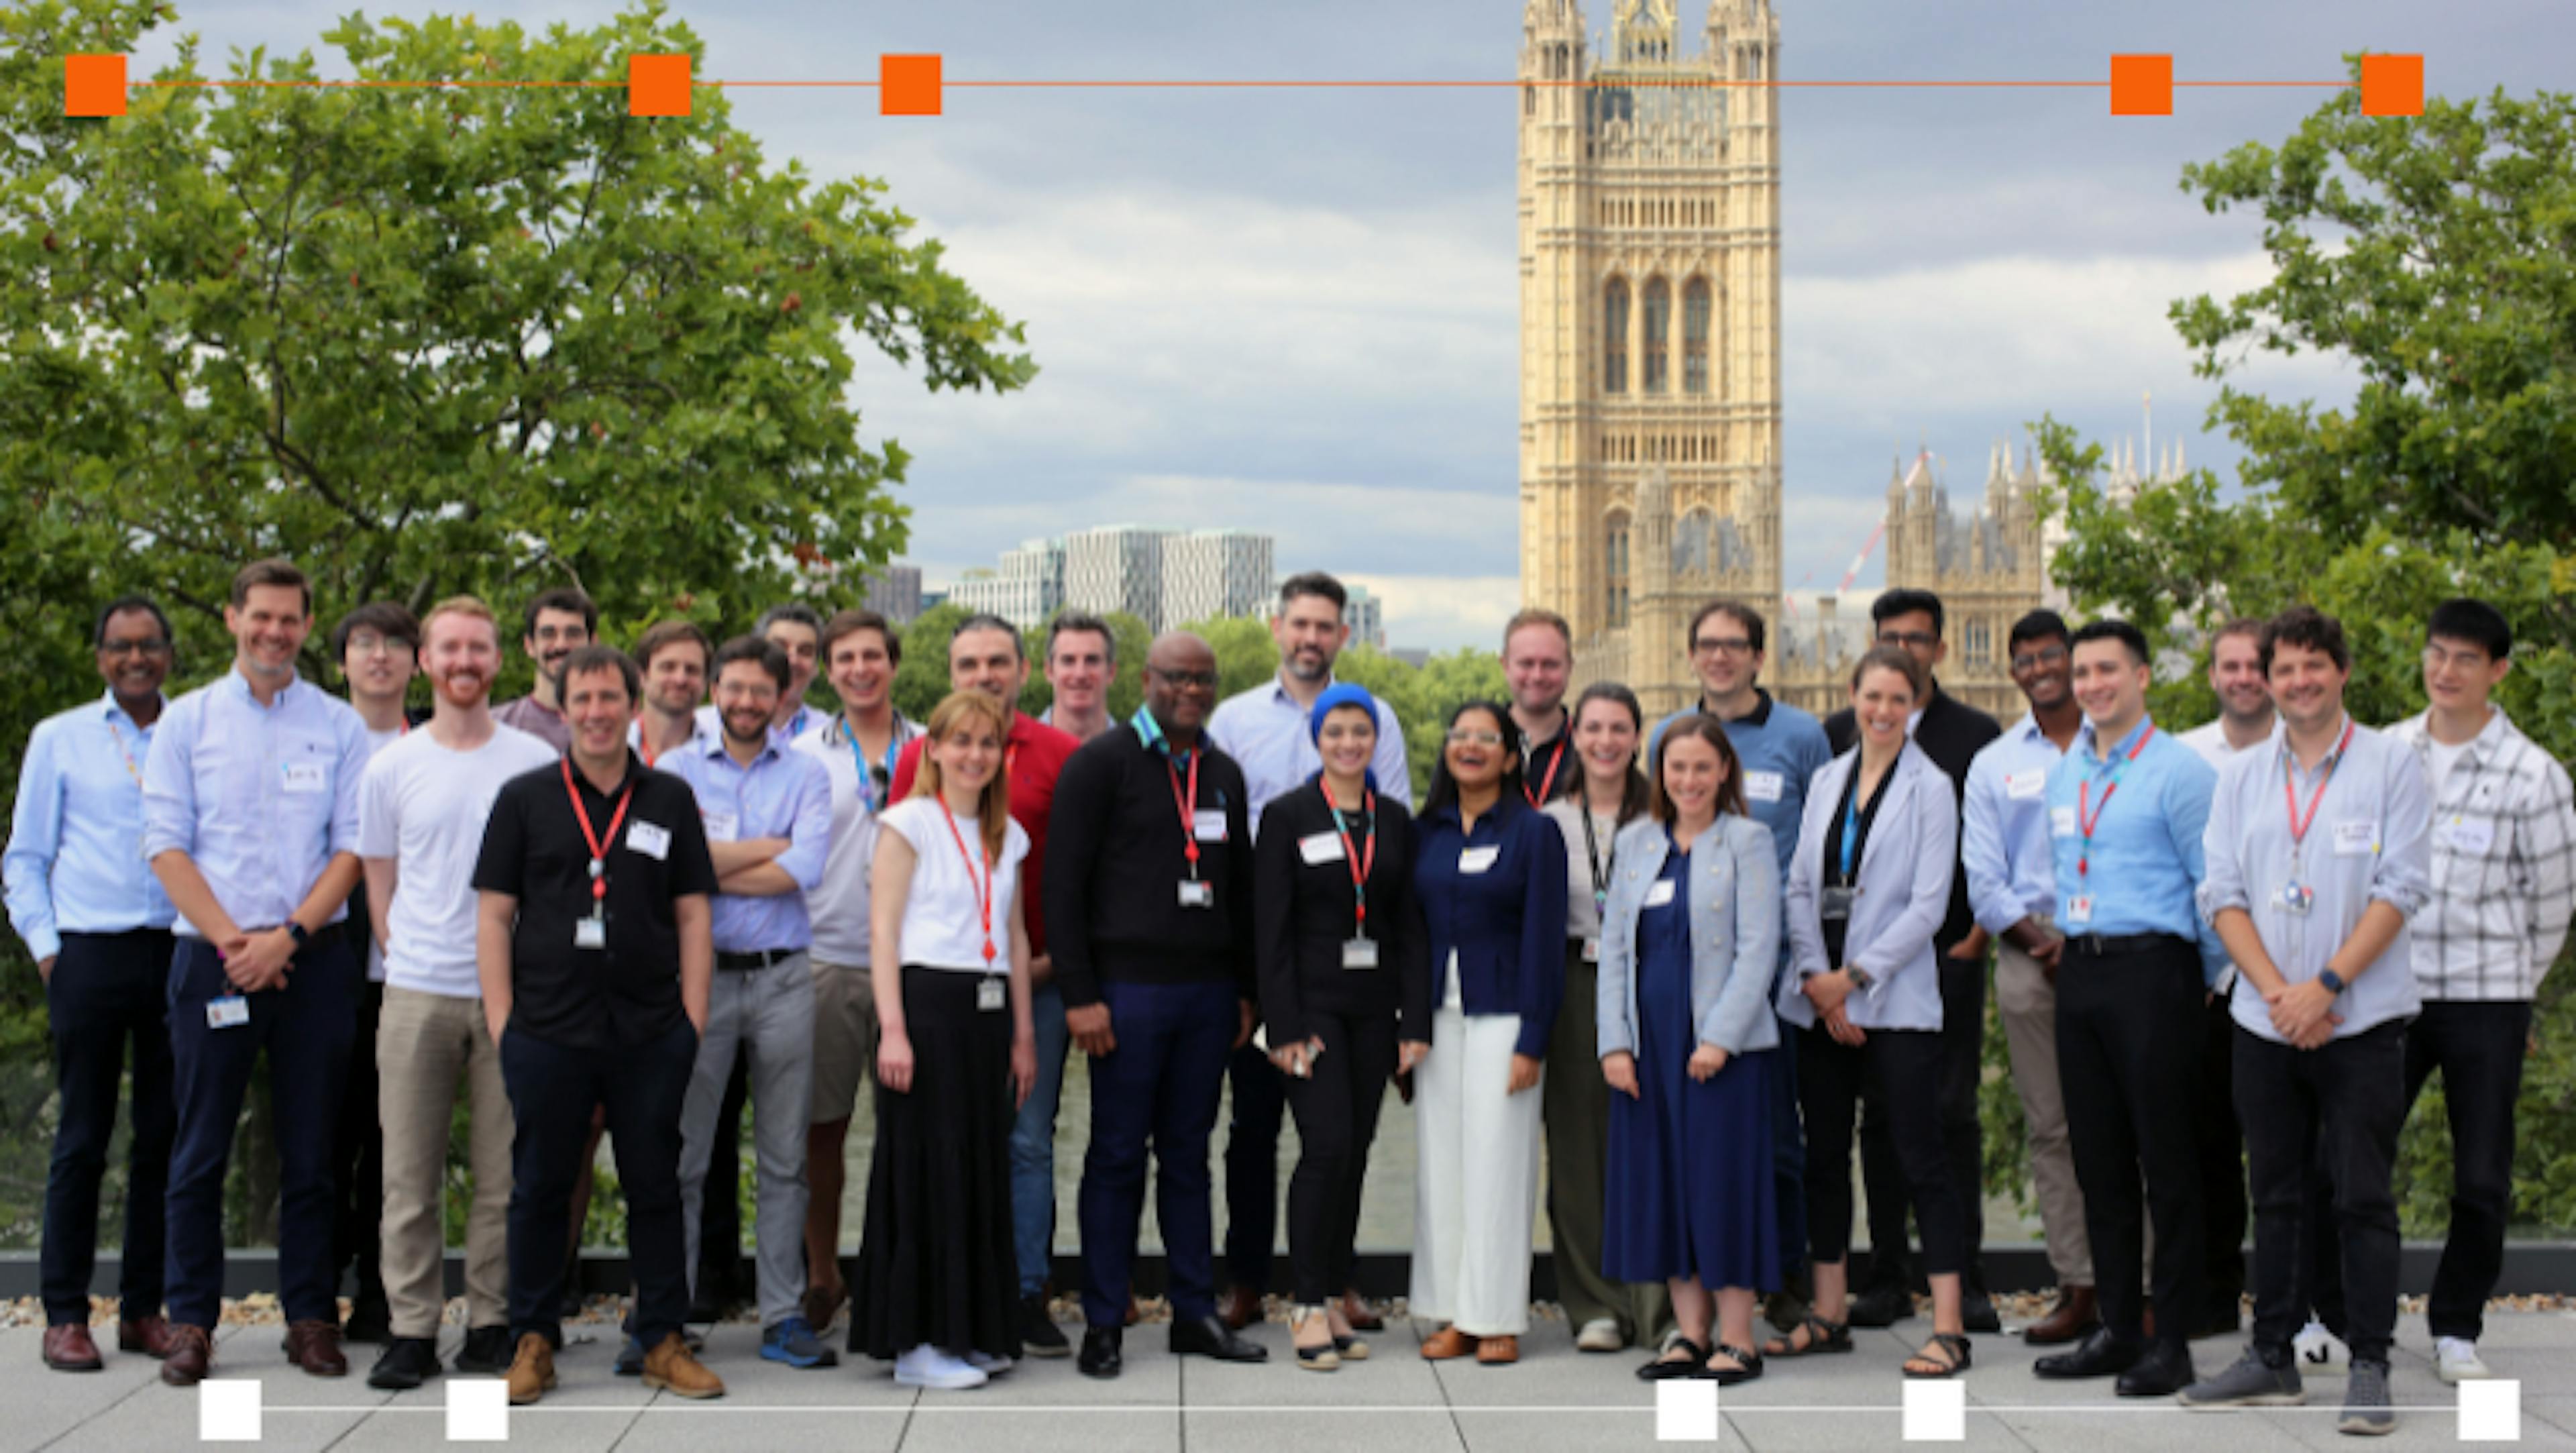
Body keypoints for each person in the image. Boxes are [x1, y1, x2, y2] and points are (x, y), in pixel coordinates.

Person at [2181, 606, 2430, 1436]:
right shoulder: (2244, 777)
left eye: (2311, 666)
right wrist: (2283, 996)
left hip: (2361, 1023)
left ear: (2342, 672)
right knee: (2276, 1196)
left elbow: (2402, 887)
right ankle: (2272, 1356)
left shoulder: (2393, 765)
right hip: (2264, 1022)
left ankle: (2369, 1365)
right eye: (2282, 669)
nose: (2296, 682)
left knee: (2363, 1198)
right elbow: (2221, 894)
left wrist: (2324, 987)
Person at [472, 645, 724, 1405]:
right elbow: (492, 913)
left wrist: (693, 1020)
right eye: (581, 699)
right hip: (546, 1030)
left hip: (650, 1030)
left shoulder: (669, 799)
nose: (596, 712)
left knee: (655, 1183)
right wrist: (502, 1022)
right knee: (540, 1186)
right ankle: (534, 1340)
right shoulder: (524, 798)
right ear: (564, 705)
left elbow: (693, 913)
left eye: (610, 697)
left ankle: (661, 1339)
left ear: (632, 699)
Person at [142, 558, 372, 1387]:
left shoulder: (338, 725)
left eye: (290, 620)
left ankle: (310, 1317)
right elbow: (166, 846)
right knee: (198, 1150)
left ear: (309, 628)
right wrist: (240, 944)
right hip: (213, 962)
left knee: (314, 1154)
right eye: (261, 617)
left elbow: (353, 847)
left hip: (312, 963)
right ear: (235, 619)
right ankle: (192, 1323)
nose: (275, 632)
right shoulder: (188, 724)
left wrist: (289, 938)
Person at [2346, 600, 2571, 1385]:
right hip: (2390, 992)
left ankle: (2455, 1328)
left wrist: (2515, 984)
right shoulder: (2383, 755)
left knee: (2480, 1173)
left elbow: (2552, 904)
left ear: (2499, 671)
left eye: (2466, 659)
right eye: (2436, 653)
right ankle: (2340, 1316)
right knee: (2354, 1158)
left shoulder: (2534, 774)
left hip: (2487, 998)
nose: (2445, 671)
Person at [1046, 632, 1268, 1378]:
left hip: (1208, 996)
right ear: (1145, 679)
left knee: (1189, 1156)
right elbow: (1062, 891)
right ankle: (1104, 1320)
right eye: (1178, 677)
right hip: (1125, 993)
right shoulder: (1100, 766)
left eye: (1205, 679)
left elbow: (1237, 893)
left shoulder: (1225, 774)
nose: (1193, 690)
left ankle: (1194, 1311)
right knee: (1114, 1156)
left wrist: (1245, 990)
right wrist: (1080, 996)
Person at [354, 598, 557, 1390]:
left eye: (479, 648)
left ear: (496, 660)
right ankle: (410, 1327)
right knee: (408, 1172)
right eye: (450, 649)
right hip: (417, 992)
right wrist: (402, 948)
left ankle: (491, 1319)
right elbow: (378, 875)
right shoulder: (392, 766)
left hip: (513, 995)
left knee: (505, 1172)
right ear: (426, 662)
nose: (465, 661)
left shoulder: (533, 763)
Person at [2028, 619, 2226, 1399]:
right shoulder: (2064, 773)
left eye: (2107, 670)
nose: (2092, 685)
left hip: (2157, 973)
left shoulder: (2180, 772)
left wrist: (2203, 982)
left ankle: (2170, 1337)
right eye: (2082, 673)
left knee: (2167, 1163)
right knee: (2098, 1162)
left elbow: (2212, 889)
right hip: (2082, 970)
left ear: (2142, 678)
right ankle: (2115, 1326)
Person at [1207, 572, 1410, 1330]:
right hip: (1260, 952)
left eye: (1325, 627)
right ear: (1276, 627)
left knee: (1347, 1137)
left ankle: (1334, 1278)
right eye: (1299, 625)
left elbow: (1392, 836)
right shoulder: (1234, 720)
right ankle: (1250, 1280)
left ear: (1343, 636)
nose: (1311, 639)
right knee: (1253, 1131)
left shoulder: (1373, 718)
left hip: (1345, 956)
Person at [1768, 647, 1971, 1380]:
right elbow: (1799, 886)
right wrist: (1818, 981)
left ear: (1914, 704)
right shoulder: (1826, 778)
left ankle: (1948, 1326)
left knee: (1922, 1160)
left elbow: (1930, 905)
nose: (1883, 710)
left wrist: (1854, 979)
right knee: (1824, 1158)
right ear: (1851, 695)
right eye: (1872, 696)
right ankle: (1829, 1312)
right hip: (1821, 1001)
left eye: (1898, 699)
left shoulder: (1933, 787)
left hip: (1894, 1003)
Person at [888, 613, 1081, 1354]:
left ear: (1024, 671)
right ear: (950, 672)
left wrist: (1043, 966)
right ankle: (948, 1300)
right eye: (968, 664)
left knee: (1028, 1142)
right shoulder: (918, 758)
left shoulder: (1062, 755)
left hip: (1037, 982)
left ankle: (1025, 1292)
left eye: (998, 662)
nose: (984, 677)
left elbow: (1076, 880)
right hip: (946, 990)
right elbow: (906, 888)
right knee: (952, 1142)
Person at [5, 595, 182, 1371]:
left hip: (176, 950)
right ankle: (65, 1312)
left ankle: (144, 1309)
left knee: (163, 1139)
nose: (136, 658)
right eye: (121, 647)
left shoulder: (191, 732)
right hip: (89, 952)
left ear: (169, 653)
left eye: (148, 645)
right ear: (100, 656)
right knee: (81, 1138)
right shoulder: (61, 738)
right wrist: (50, 952)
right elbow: (24, 857)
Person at [655, 635, 837, 1370]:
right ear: (714, 690)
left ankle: (783, 1315)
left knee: (786, 1156)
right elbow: (671, 866)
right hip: (697, 978)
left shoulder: (809, 774)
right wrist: (768, 846)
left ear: (781, 693)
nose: (746, 702)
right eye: (733, 688)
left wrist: (714, 863)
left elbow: (807, 868)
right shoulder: (672, 771)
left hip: (784, 978)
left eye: (761, 690)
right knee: (686, 1154)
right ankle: (666, 1315)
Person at [1824, 590, 2002, 1335]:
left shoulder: (1974, 732)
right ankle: (1888, 1273)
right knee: (1875, 1123)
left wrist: (1978, 937)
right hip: (1848, 973)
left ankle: (1964, 1281)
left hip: (1941, 958)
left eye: (1919, 641)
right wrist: (1829, 971)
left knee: (1949, 1119)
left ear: (1941, 647)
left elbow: (1990, 842)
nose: (1906, 651)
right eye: (1890, 640)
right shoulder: (1835, 738)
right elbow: (1815, 868)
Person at [849, 690, 1038, 1388]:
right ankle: (917, 1341)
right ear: (933, 750)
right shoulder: (908, 823)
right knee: (927, 1168)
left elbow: (1015, 941)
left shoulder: (1007, 835)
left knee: (979, 1168)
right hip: (924, 1009)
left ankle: (971, 1329)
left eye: (987, 743)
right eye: (960, 741)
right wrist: (892, 1031)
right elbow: (882, 932)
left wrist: (1024, 1034)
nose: (974, 755)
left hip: (986, 1016)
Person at [1654, 600, 1831, 1334]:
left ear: (1760, 656)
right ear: (1691, 654)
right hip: (1683, 981)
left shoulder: (1801, 735)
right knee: (1695, 1143)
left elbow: (1824, 842)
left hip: (1778, 976)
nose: (1720, 657)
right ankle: (1703, 1299)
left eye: (1734, 646)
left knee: (1779, 1139)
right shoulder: (1670, 733)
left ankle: (1785, 1278)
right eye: (1707, 645)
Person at [1252, 683, 1432, 1370]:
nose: (1350, 743)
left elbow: (1409, 929)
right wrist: (1284, 1025)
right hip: (1313, 1009)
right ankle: (1301, 1304)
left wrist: (1413, 1022)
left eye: (1361, 732)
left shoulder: (1393, 819)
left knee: (1356, 1149)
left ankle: (1331, 1293)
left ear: (1375, 742)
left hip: (1375, 1011)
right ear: (1317, 740)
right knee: (1323, 1148)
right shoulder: (1288, 815)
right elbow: (1271, 932)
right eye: (1337, 733)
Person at [1601, 714, 1782, 1385]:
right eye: (1677, 768)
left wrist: (1720, 1039)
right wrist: (1614, 1044)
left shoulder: (1748, 840)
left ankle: (1738, 1337)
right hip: (1648, 1040)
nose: (1689, 780)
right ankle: (1689, 1333)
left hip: (1717, 1046)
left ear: (1724, 771)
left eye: (1702, 767)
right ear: (1661, 774)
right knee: (1665, 1183)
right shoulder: (1636, 843)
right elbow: (1615, 947)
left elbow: (1760, 946)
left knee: (1721, 1182)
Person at [1409, 700, 1568, 1367]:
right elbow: (1410, 932)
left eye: (1486, 738)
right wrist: (1408, 1025)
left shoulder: (1535, 832)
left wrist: (1534, 1037)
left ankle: (1496, 1315)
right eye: (1460, 735)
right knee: (1441, 1167)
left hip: (1505, 1014)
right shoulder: (1429, 830)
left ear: (1510, 756)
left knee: (1499, 1164)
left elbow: (1543, 940)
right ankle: (1450, 1311)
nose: (1470, 746)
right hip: (1436, 1022)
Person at [1957, 610, 2098, 1347]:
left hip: (2117, 954)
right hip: (2029, 954)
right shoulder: (1996, 761)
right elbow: (1984, 877)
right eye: (2027, 660)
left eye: (2052, 657)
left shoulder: (2130, 748)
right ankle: (2078, 1282)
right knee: (2052, 1128)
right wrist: (2044, 943)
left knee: (2130, 1123)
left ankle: (2139, 1285)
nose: (2039, 669)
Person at [792, 608, 920, 1334]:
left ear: (894, 664)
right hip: (829, 957)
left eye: (873, 655)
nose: (860, 669)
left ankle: (901, 1272)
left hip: (913, 961)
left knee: (909, 1130)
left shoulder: (934, 747)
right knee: (823, 1129)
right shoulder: (805, 752)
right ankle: (821, 1273)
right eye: (845, 659)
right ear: (828, 669)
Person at [1540, 683, 1669, 1354]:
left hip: (1652, 984)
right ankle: (1593, 1303)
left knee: (1649, 1143)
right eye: (1593, 728)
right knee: (1578, 1149)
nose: (1606, 742)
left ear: (1636, 736)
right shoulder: (1549, 822)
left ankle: (1658, 1306)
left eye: (1619, 728)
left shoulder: (1666, 819)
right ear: (1576, 737)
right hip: (1576, 983)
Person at [325, 600, 421, 1346]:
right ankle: (313, 1295)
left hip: (409, 973)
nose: (380, 656)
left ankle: (383, 1295)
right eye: (364, 644)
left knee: (398, 1142)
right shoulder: (318, 741)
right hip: (325, 968)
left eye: (395, 644)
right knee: (327, 1134)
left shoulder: (434, 747)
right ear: (343, 661)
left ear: (416, 662)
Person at [2176, 617, 2269, 1340]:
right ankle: (2214, 1293)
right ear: (2212, 676)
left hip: (2294, 986)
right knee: (2207, 1147)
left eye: (2256, 665)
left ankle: (2294, 1299)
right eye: (2230, 666)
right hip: (2211, 986)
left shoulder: (2313, 756)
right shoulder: (2184, 758)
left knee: (2293, 1152)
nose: (2243, 677)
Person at [492, 588, 596, 752]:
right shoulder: (498, 726)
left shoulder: (615, 728)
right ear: (529, 646)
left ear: (593, 643)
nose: (561, 644)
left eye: (573, 634)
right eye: (548, 634)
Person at [1504, 608, 1578, 806]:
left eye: (1550, 664)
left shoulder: (1591, 746)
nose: (1537, 676)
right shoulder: (1475, 742)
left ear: (1569, 667)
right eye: (1526, 664)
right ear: (1505, 666)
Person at [631, 620, 712, 767]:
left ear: (705, 681)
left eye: (692, 670)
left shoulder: (721, 756)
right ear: (641, 676)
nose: (680, 680)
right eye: (668, 667)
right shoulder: (615, 746)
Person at [1039, 610, 1118, 742]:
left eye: (1092, 660)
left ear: (1111, 672)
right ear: (1049, 671)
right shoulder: (1016, 753)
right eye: (1068, 661)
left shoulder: (1138, 755)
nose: (1080, 674)